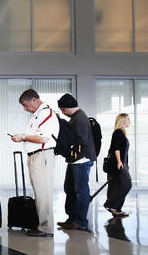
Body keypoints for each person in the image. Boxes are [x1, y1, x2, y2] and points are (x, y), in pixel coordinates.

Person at [11, 89, 59, 237]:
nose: (25, 109)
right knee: (39, 193)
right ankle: (43, 225)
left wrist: (23, 137)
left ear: (34, 100)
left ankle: (46, 228)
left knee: (43, 193)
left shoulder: (45, 113)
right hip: (35, 157)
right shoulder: (37, 115)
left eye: (25, 105)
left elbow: (43, 138)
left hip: (42, 157)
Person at [56, 93, 96, 233]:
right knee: (70, 189)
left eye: (62, 109)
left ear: (68, 107)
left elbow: (80, 141)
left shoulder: (80, 119)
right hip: (76, 161)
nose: (63, 112)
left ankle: (81, 222)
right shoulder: (75, 117)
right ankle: (72, 219)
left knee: (80, 191)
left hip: (81, 160)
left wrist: (70, 154)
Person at [103, 113, 132, 217]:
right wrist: (119, 162)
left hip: (122, 164)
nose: (130, 121)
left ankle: (116, 208)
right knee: (126, 185)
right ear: (123, 120)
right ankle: (111, 205)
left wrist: (125, 164)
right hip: (117, 164)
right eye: (128, 119)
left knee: (118, 185)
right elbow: (116, 148)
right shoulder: (118, 132)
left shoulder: (122, 133)